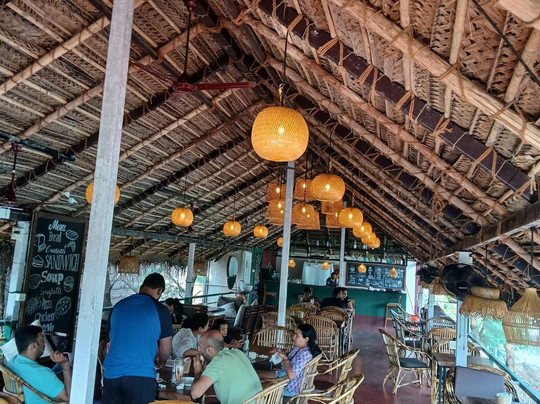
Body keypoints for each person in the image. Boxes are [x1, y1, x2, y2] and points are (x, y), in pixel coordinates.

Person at [102, 273, 173, 404]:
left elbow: (112, 340)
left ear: (141, 287)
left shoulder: (118, 306)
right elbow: (165, 350)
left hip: (111, 374)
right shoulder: (161, 311)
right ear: (159, 291)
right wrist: (161, 362)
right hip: (140, 376)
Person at [190, 330, 262, 404]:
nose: (198, 350)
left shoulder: (218, 361)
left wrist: (198, 373)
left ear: (209, 350)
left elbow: (195, 394)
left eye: (199, 346)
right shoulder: (238, 352)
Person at [7, 325, 72, 403]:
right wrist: (65, 365)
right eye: (42, 341)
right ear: (34, 346)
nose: (44, 343)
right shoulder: (43, 373)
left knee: (58, 366)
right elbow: (68, 398)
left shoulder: (12, 362)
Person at [257, 324, 322, 397]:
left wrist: (286, 359)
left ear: (306, 339)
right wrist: (281, 354)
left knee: (256, 387)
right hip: (284, 375)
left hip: (290, 387)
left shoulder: (306, 355)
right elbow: (284, 365)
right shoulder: (297, 348)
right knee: (256, 375)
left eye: (297, 335)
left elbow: (291, 376)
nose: (293, 337)